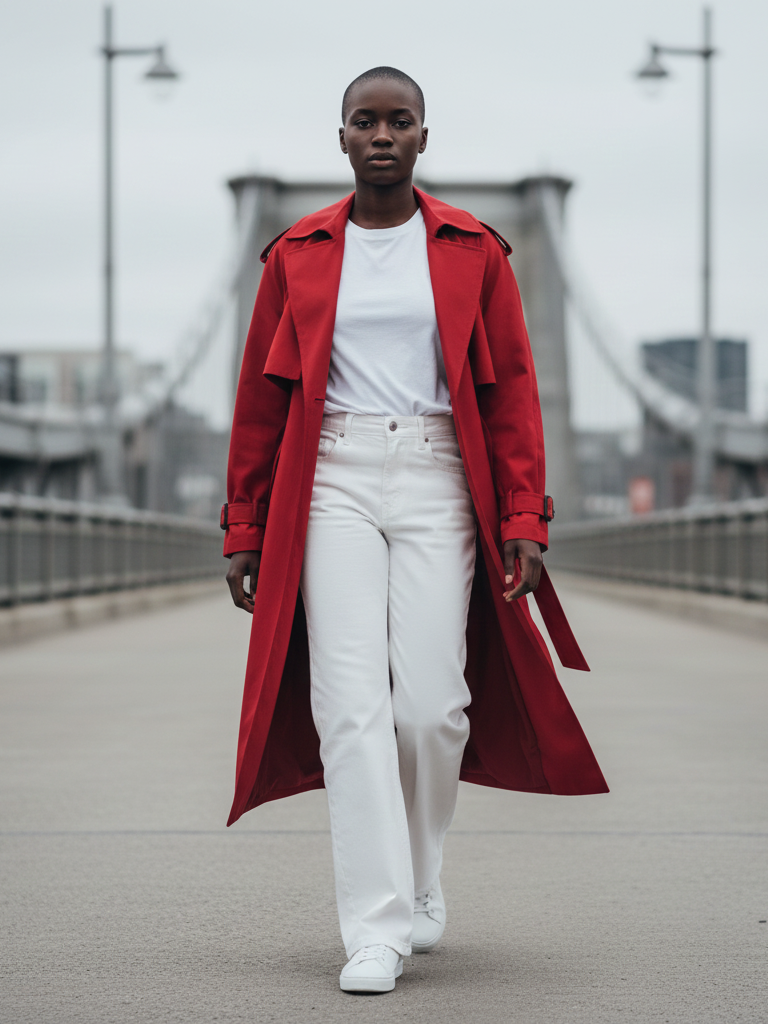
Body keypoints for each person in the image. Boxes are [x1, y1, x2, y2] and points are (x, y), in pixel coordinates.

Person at [223, 66, 608, 994]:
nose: (382, 135)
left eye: (400, 121)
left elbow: (513, 389)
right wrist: (244, 519)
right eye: (365, 121)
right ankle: (375, 926)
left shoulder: (476, 249)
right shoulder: (297, 253)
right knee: (347, 709)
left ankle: (420, 873)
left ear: (424, 137)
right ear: (343, 138)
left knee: (432, 708)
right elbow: (261, 398)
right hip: (333, 481)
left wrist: (524, 515)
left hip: (439, 474)